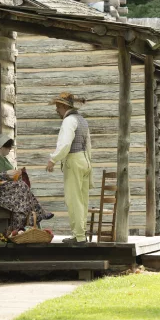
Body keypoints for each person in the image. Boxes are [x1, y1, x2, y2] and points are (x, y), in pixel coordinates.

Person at [0, 136, 51, 235]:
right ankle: (30, 220)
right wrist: (6, 175)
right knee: (21, 189)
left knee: (22, 190)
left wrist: (7, 176)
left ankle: (29, 221)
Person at [46, 92, 93, 245]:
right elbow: (88, 146)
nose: (56, 110)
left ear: (64, 106)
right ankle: (80, 234)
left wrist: (53, 159)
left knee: (74, 199)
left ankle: (78, 236)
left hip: (74, 160)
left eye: (58, 107)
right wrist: (89, 165)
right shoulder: (82, 120)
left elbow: (65, 144)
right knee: (82, 199)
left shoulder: (68, 121)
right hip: (84, 160)